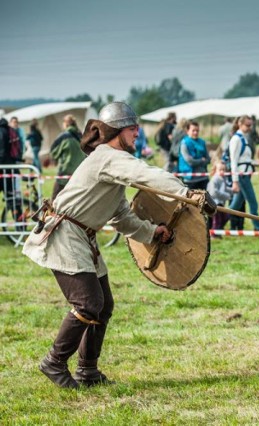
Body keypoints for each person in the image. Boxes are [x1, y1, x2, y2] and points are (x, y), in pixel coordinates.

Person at [22, 102, 215, 389]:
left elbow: (122, 216)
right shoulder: (107, 157)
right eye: (132, 129)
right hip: (65, 235)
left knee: (104, 304)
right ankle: (54, 361)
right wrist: (187, 194)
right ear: (117, 131)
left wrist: (152, 232)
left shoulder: (111, 163)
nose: (138, 133)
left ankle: (87, 370)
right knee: (88, 303)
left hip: (82, 237)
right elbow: (146, 174)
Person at [229, 115, 259, 231]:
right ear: (240, 124)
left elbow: (243, 159)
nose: (250, 128)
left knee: (235, 206)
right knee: (253, 204)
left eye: (251, 125)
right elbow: (234, 162)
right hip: (241, 176)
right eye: (247, 125)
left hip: (245, 175)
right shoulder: (236, 139)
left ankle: (215, 224)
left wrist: (254, 162)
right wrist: (235, 181)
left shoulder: (244, 137)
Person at [50, 115, 86, 201]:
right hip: (80, 174)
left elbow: (53, 150)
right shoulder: (81, 136)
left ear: (65, 124)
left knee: (55, 200)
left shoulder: (64, 136)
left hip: (65, 173)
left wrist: (54, 159)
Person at [177, 121, 210, 191]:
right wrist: (201, 160)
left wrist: (199, 161)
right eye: (193, 130)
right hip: (190, 179)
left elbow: (208, 159)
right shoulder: (184, 143)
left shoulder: (202, 142)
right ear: (188, 131)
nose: (195, 132)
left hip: (203, 177)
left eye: (197, 130)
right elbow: (189, 161)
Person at [206, 161, 232, 233]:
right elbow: (214, 192)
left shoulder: (223, 179)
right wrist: (226, 196)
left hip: (221, 203)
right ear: (215, 170)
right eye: (220, 170)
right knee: (217, 219)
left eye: (223, 170)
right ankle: (214, 233)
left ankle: (219, 230)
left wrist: (232, 190)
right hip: (214, 203)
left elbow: (225, 188)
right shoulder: (214, 180)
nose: (222, 171)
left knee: (226, 216)